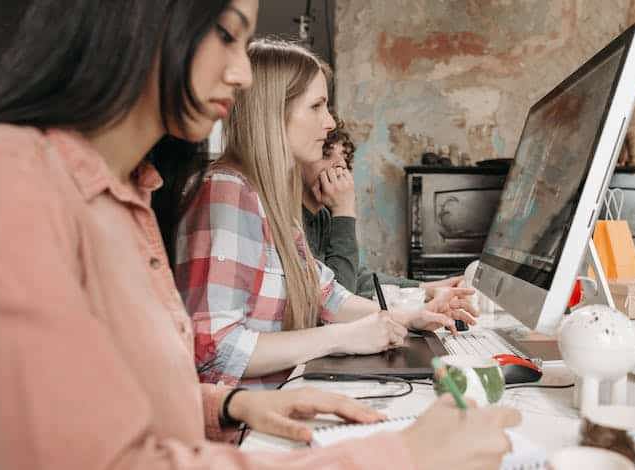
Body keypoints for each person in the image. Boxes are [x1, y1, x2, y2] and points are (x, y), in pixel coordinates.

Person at [0, 1, 520, 469]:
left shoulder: (131, 195)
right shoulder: (4, 177)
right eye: (226, 34)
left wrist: (230, 404)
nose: (243, 72)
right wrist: (401, 455)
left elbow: (116, 399)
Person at [167, 39, 477, 387]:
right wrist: (342, 338)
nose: (329, 122)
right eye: (316, 106)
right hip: (246, 429)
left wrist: (410, 318)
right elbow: (213, 349)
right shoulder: (226, 192)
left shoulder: (269, 200)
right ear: (272, 112)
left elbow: (326, 294)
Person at [300, 116, 465, 298]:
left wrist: (426, 288)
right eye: (326, 154)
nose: (341, 165)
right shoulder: (295, 220)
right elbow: (337, 301)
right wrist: (344, 211)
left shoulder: (322, 216)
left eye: (344, 158)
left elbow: (357, 278)